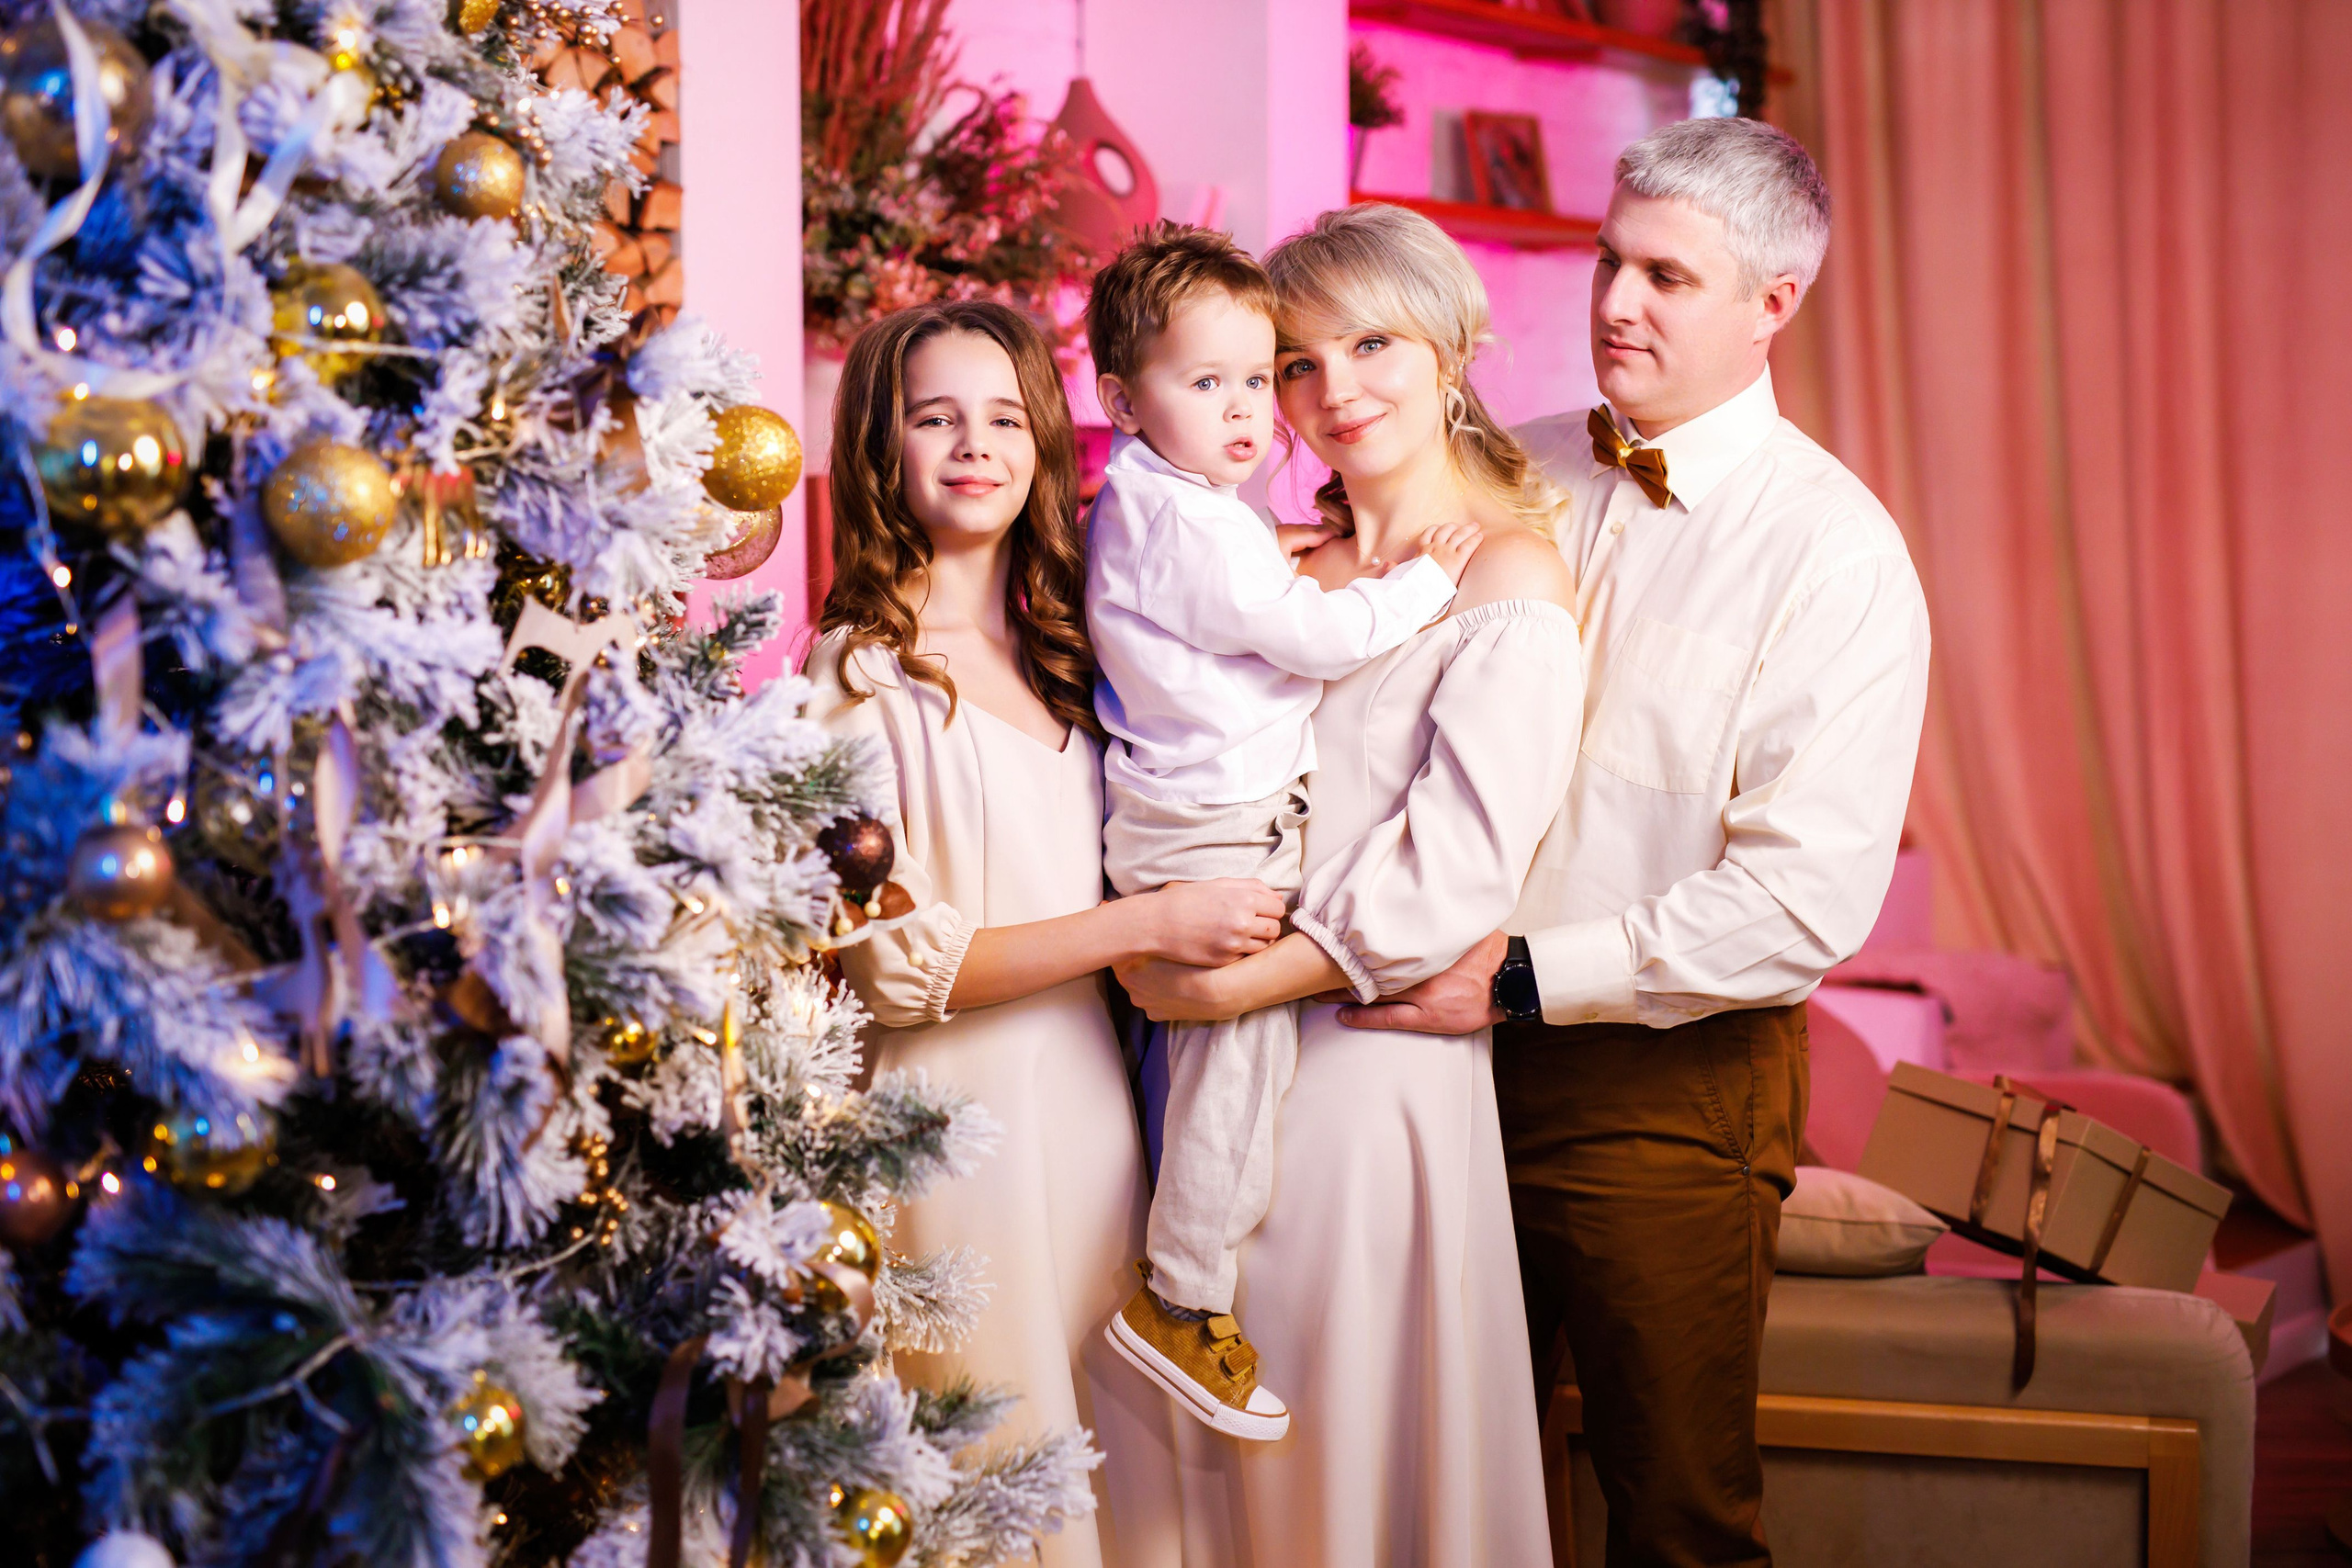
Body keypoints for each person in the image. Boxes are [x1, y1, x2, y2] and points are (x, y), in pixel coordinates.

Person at [1342, 118, 1933, 1567]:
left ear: (1772, 304)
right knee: (1445, 1487)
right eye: (1613, 259)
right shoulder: (1507, 466)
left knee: (1673, 1516)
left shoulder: (1835, 555)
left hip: (1667, 1092)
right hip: (1422, 1061)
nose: (1615, 301)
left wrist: (1520, 976)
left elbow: (1805, 900)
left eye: (1668, 276)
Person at [1118, 202, 1577, 1566]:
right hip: (1198, 1039)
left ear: (1451, 350)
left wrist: (1231, 983)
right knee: (1198, 1451)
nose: (1334, 391)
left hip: (1364, 1067)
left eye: (1372, 343)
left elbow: (1458, 866)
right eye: (1297, 363)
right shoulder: (1272, 565)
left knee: (1346, 1437)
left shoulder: (1508, 575)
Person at [804, 299, 1276, 1568]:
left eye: (1006, 416)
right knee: (991, 1490)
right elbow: (898, 975)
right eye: (936, 418)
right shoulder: (861, 677)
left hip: (1096, 1121)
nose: (976, 446)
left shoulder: (1080, 651)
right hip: (952, 1134)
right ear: (879, 450)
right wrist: (1152, 922)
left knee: (1107, 1497)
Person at [1080, 222, 1482, 1443]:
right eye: (1208, 385)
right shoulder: (1193, 524)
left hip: (1186, 811)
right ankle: (1184, 1293)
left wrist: (1290, 557)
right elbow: (1301, 640)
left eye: (1261, 378)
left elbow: (1237, 607)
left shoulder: (1164, 503)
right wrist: (1417, 584)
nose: (1253, 411)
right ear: (1119, 398)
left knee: (1204, 1063)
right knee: (1234, 1058)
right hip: (1214, 828)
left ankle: (1181, 1269)